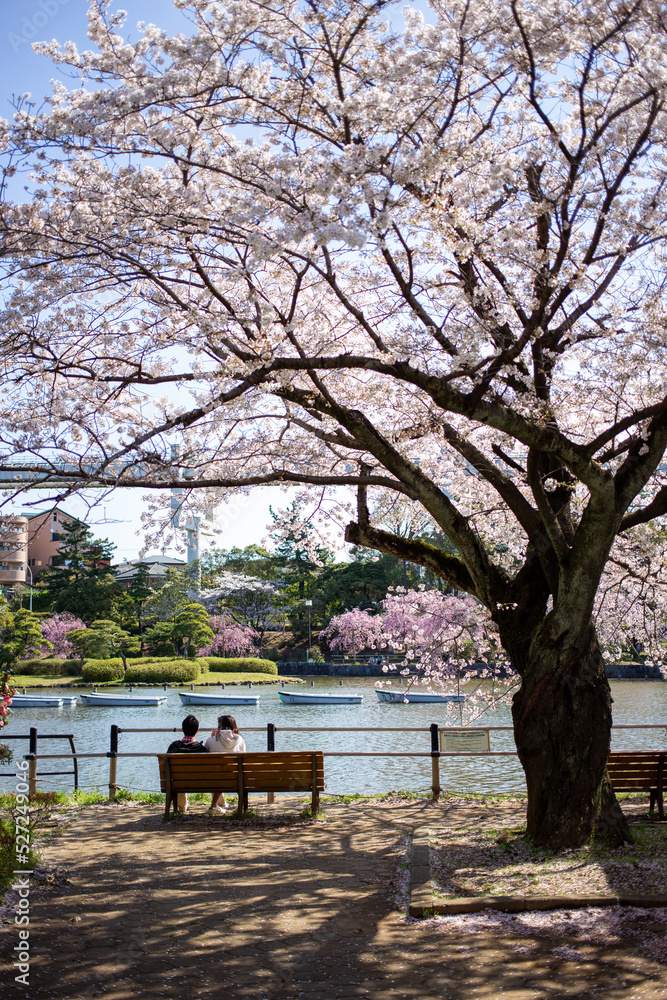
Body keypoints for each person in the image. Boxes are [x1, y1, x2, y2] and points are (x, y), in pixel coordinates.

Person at [205, 714, 246, 814]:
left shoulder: (211, 740)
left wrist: (212, 738)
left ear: (219, 726)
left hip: (215, 779)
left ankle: (213, 806)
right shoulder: (240, 740)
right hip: (236, 778)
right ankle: (243, 805)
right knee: (235, 773)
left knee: (219, 774)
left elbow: (206, 755)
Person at [167, 714, 207, 812]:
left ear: (182, 729)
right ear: (197, 730)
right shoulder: (201, 749)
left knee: (179, 777)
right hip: (202, 783)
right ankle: (218, 805)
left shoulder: (174, 747)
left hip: (178, 782)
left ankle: (182, 807)